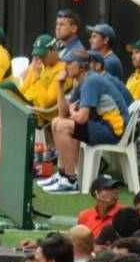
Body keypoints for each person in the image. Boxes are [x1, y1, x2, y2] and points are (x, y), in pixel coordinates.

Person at [43, 48, 130, 194]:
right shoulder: (81, 82)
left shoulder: (91, 81)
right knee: (57, 121)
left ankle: (71, 179)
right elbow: (62, 113)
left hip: (114, 130)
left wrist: (72, 110)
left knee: (63, 126)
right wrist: (60, 86)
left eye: (70, 63)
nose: (66, 66)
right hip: (102, 125)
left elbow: (81, 118)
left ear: (82, 66)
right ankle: (63, 174)